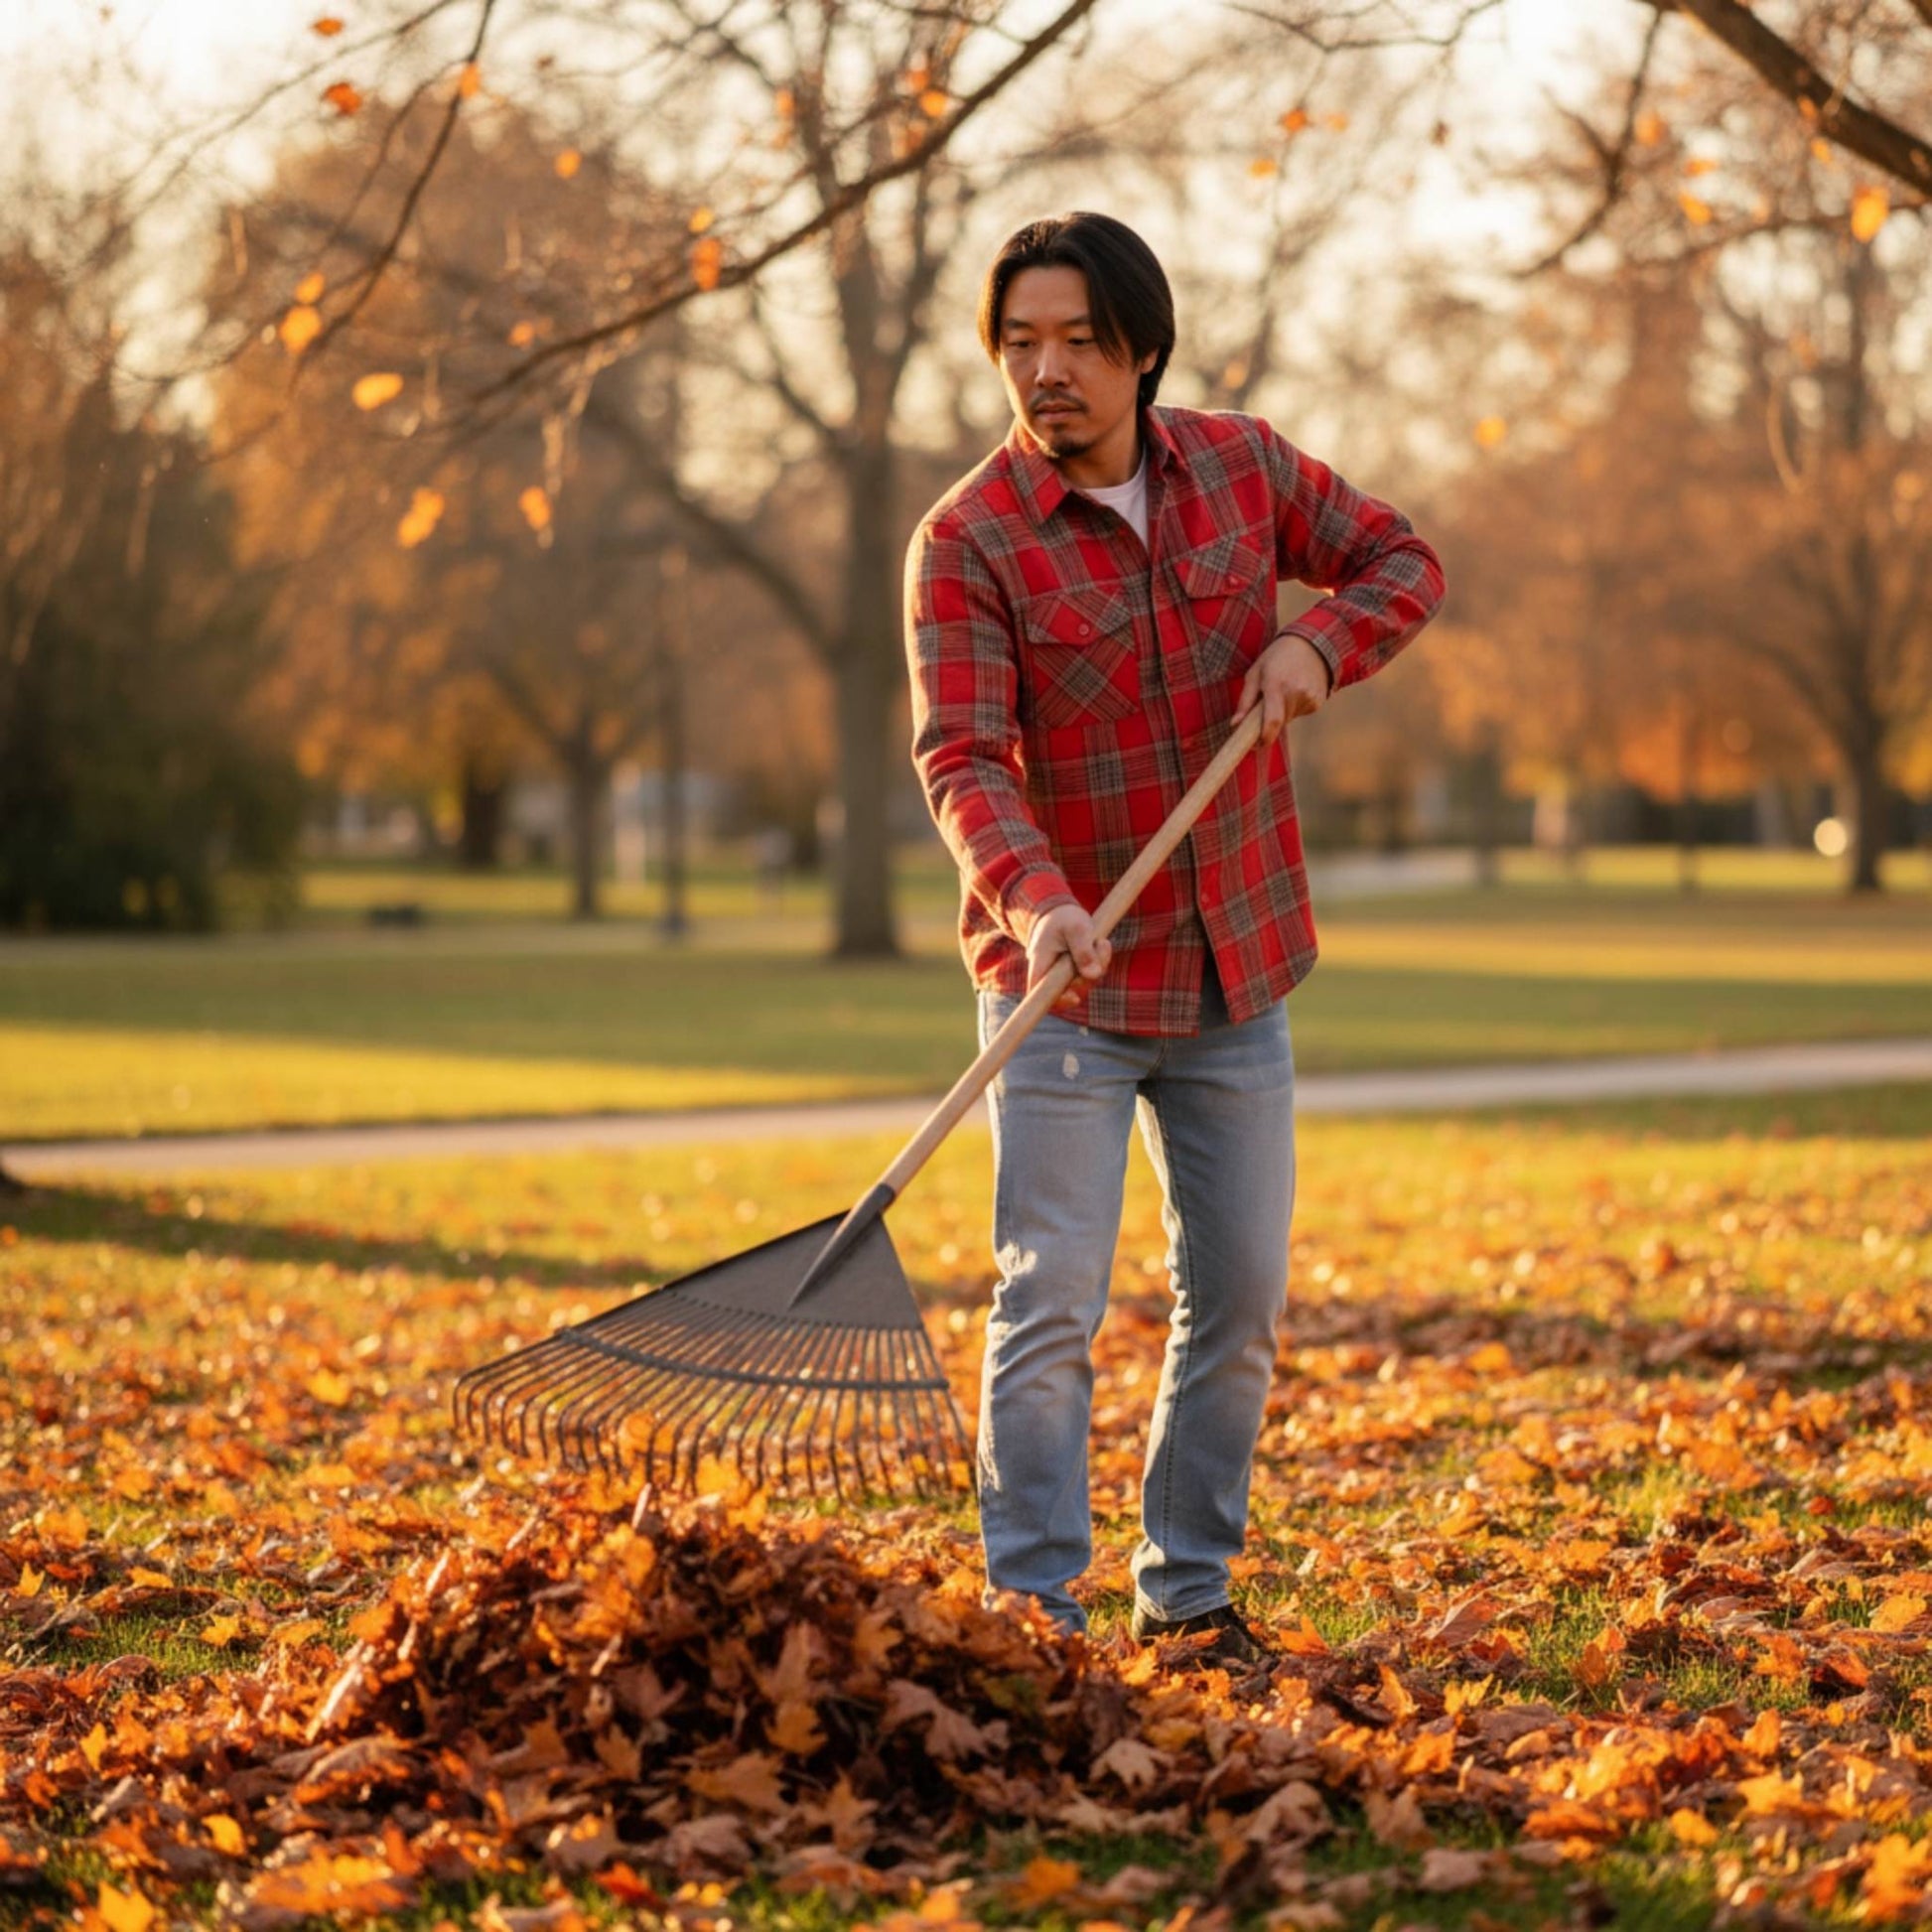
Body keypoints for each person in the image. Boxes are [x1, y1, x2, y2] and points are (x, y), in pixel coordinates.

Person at [902, 211, 1445, 1666]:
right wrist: (1034, 901)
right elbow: (961, 756)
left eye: (1077, 339)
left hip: (1232, 970)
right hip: (1065, 987)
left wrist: (1316, 642)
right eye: (1020, 341)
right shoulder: (967, 542)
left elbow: (1399, 560)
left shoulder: (1243, 472)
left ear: (1141, 348)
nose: (1046, 369)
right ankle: (1032, 1611)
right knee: (1050, 1303)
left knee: (1242, 1301)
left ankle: (1187, 1590)